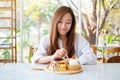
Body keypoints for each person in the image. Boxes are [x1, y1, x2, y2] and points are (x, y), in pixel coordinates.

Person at [31, 6, 97, 65]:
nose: (63, 26)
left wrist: (73, 62)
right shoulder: (46, 39)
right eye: (60, 22)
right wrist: (53, 56)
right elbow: (36, 59)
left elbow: (92, 57)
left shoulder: (78, 38)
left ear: (72, 24)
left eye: (68, 22)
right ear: (55, 22)